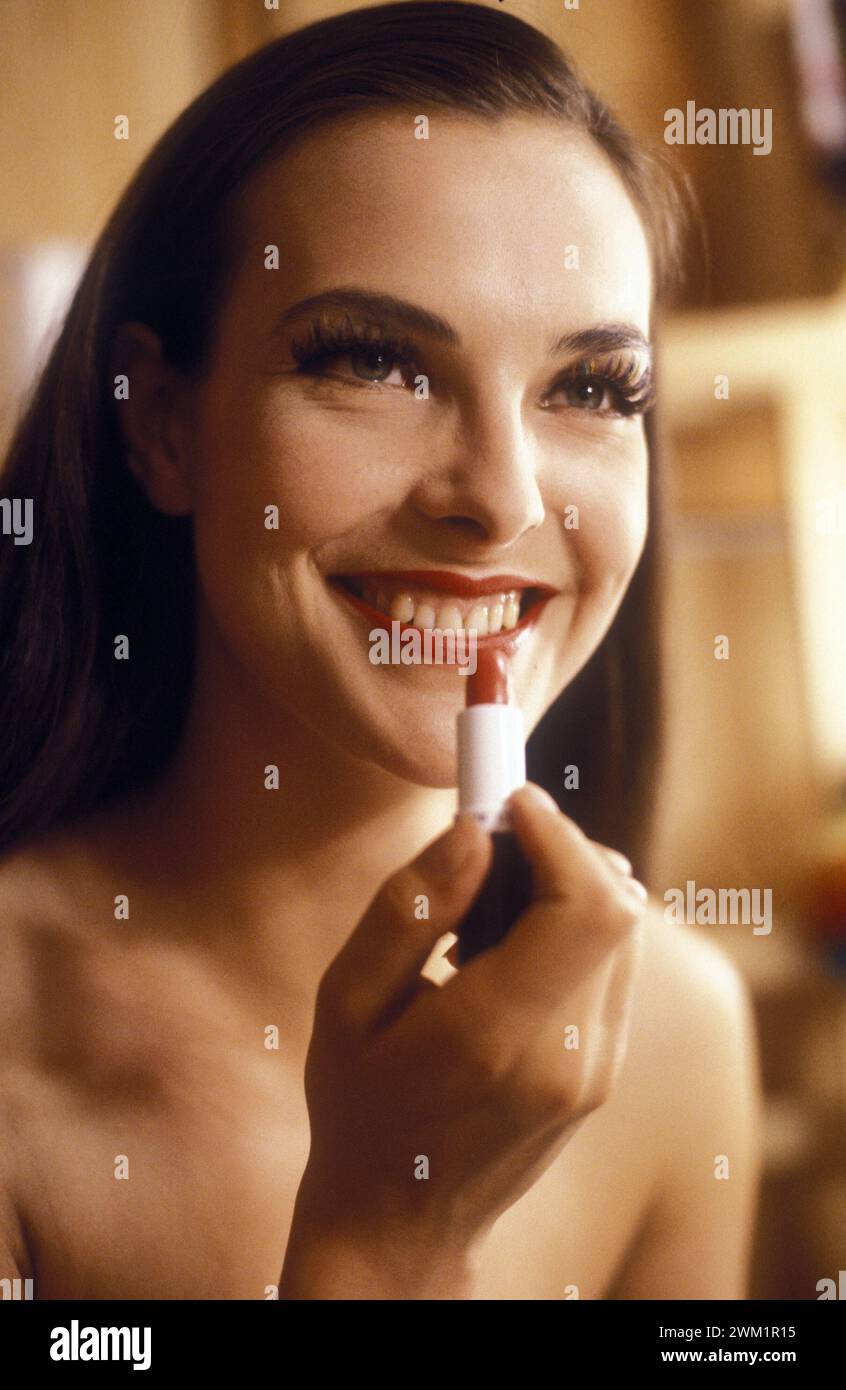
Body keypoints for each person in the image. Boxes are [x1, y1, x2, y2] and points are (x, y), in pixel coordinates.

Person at [0, 1, 762, 1300]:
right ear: (165, 425)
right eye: (374, 361)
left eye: (590, 388)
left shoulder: (675, 1030)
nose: (502, 500)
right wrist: (379, 1244)